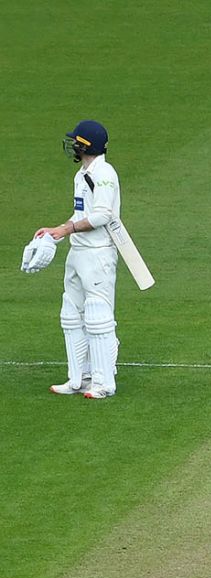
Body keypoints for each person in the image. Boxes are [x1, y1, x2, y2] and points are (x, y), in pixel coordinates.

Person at [27, 120, 122, 399]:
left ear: (87, 146)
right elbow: (80, 215)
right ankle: (79, 378)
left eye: (77, 142)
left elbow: (102, 215)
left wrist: (67, 230)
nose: (73, 146)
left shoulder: (104, 174)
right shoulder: (82, 175)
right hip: (78, 251)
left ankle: (104, 383)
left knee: (98, 315)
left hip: (98, 254)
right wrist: (56, 231)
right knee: (71, 313)